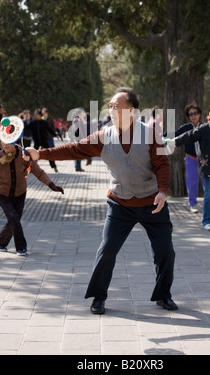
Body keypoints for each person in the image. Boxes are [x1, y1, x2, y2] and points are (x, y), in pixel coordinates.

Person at [24, 87, 177, 314]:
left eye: (117, 106)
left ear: (131, 111)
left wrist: (163, 191)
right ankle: (98, 297)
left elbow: (163, 164)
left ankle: (163, 295)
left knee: (166, 251)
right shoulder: (104, 136)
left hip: (152, 202)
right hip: (120, 203)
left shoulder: (150, 134)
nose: (111, 110)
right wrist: (41, 154)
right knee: (106, 250)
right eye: (110, 106)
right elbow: (75, 149)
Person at [0, 141, 64, 256]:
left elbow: (38, 172)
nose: (5, 145)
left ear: (15, 142)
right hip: (2, 193)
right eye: (3, 142)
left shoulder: (24, 155)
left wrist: (51, 185)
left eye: (8, 143)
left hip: (20, 193)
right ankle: (21, 247)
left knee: (14, 220)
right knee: (14, 217)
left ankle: (0, 241)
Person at [167, 102, 210, 231]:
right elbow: (189, 136)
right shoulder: (204, 128)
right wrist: (173, 141)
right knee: (208, 194)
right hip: (209, 166)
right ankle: (206, 221)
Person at [175, 102, 203, 213]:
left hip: (205, 160)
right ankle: (193, 204)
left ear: (199, 114)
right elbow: (174, 134)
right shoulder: (185, 128)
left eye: (195, 113)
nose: (193, 116)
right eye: (191, 114)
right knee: (192, 182)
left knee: (208, 182)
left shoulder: (205, 127)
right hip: (191, 158)